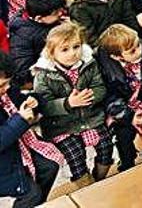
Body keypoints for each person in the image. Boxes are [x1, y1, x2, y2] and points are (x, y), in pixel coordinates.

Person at [33, 22, 114, 187]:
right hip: (62, 125)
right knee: (76, 156)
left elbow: (100, 86)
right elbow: (43, 105)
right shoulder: (43, 75)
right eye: (65, 49)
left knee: (106, 145)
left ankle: (99, 179)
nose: (72, 53)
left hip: (90, 118)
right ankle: (85, 186)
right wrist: (68, 103)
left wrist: (91, 95)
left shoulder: (89, 64)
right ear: (51, 53)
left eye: (76, 46)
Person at [94, 24, 142, 172]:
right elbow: (110, 98)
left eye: (139, 45)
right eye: (132, 51)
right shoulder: (107, 70)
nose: (139, 51)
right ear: (117, 56)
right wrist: (129, 116)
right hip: (124, 108)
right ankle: (127, 163)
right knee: (123, 135)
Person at [0, 51, 62, 208]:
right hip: (4, 161)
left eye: (8, 83)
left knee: (50, 165)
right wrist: (20, 120)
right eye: (2, 85)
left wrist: (35, 100)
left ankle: (38, 204)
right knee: (31, 194)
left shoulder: (6, 92)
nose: (7, 88)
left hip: (16, 147)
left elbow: (22, 99)